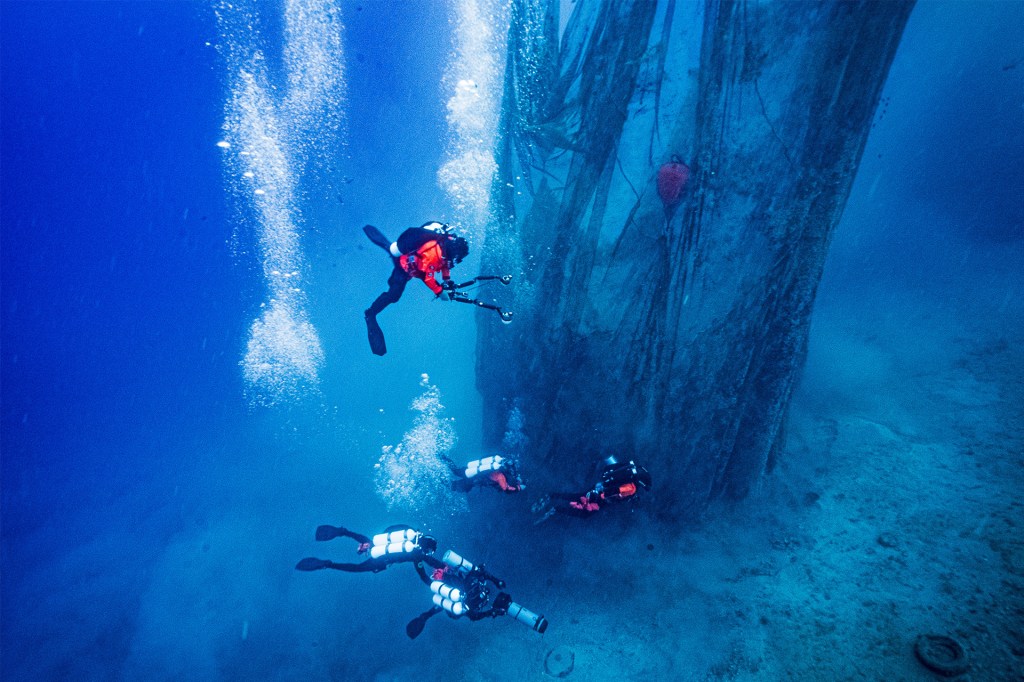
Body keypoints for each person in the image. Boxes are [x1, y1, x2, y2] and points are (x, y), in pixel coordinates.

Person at [362, 221, 469, 356]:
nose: (456, 261)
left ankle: (389, 247)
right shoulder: (434, 255)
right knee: (394, 295)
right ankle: (370, 314)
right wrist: (440, 292)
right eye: (457, 258)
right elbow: (428, 278)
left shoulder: (444, 249)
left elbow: (444, 266)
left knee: (391, 250)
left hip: (416, 266)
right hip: (404, 267)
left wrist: (447, 280)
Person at [406, 549, 548, 638]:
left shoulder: (440, 588)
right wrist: (419, 558)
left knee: (454, 607)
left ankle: (503, 610)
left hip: (470, 602)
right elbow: (479, 573)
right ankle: (521, 616)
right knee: (471, 584)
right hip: (474, 595)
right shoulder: (450, 579)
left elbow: (424, 575)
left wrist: (418, 560)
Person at [532, 455, 652, 524]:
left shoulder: (629, 477)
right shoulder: (631, 488)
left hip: (599, 488)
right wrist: (601, 498)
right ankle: (555, 508)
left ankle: (553, 496)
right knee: (584, 513)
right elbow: (615, 491)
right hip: (600, 496)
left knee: (578, 497)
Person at [295, 524, 444, 577]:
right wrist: (443, 568)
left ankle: (344, 532)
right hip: (383, 559)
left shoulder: (410, 530)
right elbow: (424, 574)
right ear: (428, 548)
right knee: (357, 568)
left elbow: (392, 529)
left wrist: (374, 543)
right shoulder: (418, 554)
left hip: (381, 544)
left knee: (369, 542)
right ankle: (328, 564)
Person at [441, 454, 524, 494]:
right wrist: (518, 488)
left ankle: (443, 458)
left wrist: (518, 481)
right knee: (454, 486)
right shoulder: (501, 476)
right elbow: (505, 488)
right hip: (473, 479)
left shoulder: (498, 464)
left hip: (473, 470)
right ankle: (439, 478)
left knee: (456, 471)